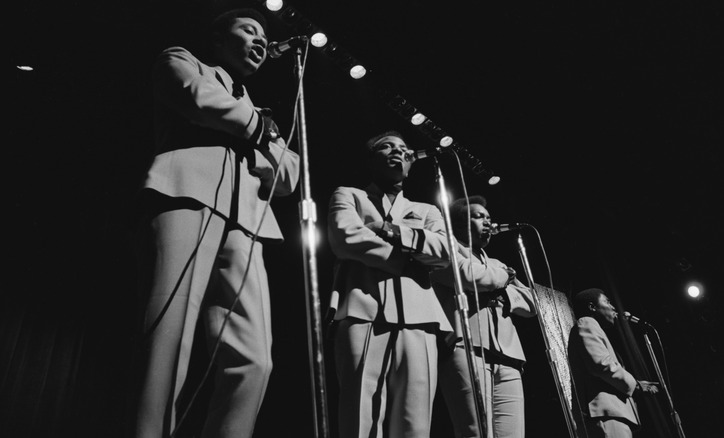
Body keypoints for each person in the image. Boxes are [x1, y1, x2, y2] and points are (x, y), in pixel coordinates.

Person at [132, 7, 300, 438]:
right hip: (188, 193)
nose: (261, 41)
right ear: (220, 41)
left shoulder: (257, 110)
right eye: (249, 31)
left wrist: (257, 131)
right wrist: (260, 132)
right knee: (171, 333)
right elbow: (196, 99)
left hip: (246, 220)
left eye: (264, 36)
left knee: (256, 358)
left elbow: (290, 176)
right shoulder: (183, 60)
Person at [326, 130, 454, 437]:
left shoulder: (428, 210)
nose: (397, 152)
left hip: (420, 316)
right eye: (387, 147)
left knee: (415, 420)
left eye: (404, 149)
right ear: (371, 159)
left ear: (411, 163)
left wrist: (392, 231)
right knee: (360, 415)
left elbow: (445, 252)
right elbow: (346, 238)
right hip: (362, 308)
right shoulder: (349, 195)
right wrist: (405, 260)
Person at [431, 195, 538, 438]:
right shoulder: (446, 251)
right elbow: (468, 278)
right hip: (466, 348)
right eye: (479, 217)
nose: (488, 222)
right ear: (458, 223)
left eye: (489, 217)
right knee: (476, 431)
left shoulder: (498, 264)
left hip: (508, 356)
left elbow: (532, 304)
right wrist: (501, 280)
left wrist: (501, 290)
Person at [567, 288, 659, 438]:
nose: (613, 307)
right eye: (607, 301)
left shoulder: (594, 328)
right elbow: (601, 364)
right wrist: (635, 384)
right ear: (592, 307)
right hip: (607, 414)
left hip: (611, 414)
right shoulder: (587, 323)